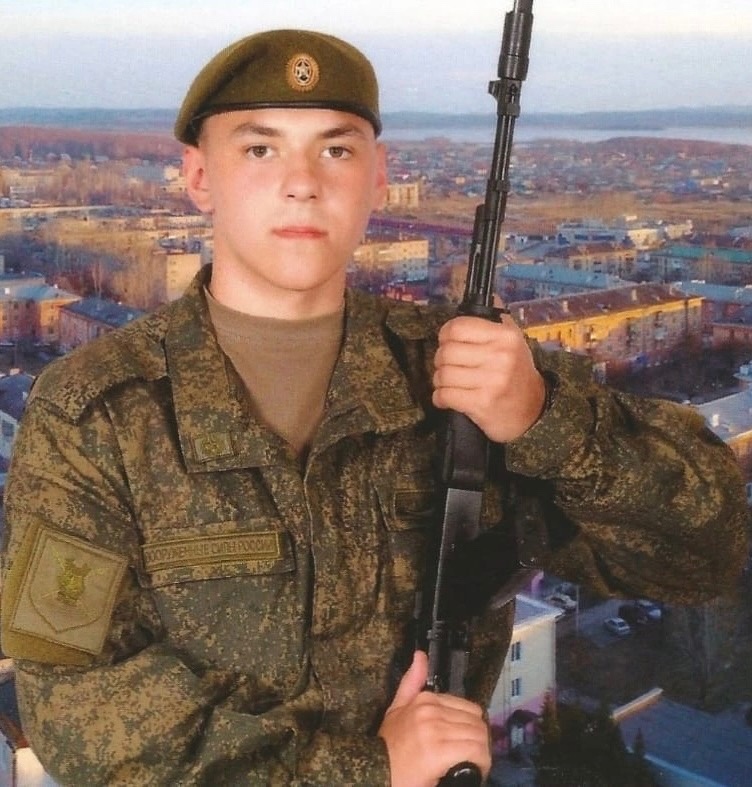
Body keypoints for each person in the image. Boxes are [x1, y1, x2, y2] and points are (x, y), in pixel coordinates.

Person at [0, 28, 748, 787]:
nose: (303, 183)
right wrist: (370, 769)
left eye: (336, 149)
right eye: (260, 149)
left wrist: (544, 420)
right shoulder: (95, 413)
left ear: (379, 178)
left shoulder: (468, 372)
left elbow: (703, 554)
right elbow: (73, 704)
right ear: (198, 177)